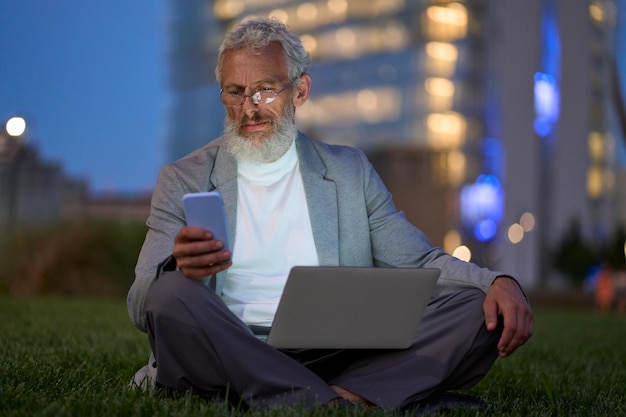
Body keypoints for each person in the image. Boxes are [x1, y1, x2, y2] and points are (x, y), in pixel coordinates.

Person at [127, 17, 533, 413]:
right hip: (226, 342)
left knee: (476, 308)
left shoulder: (349, 170)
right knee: (170, 293)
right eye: (235, 92)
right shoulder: (183, 178)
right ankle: (343, 401)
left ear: (300, 90)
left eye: (266, 90)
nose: (249, 108)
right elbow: (142, 301)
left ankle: (277, 396)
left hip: (336, 352)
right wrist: (182, 270)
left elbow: (419, 261)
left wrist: (496, 281)